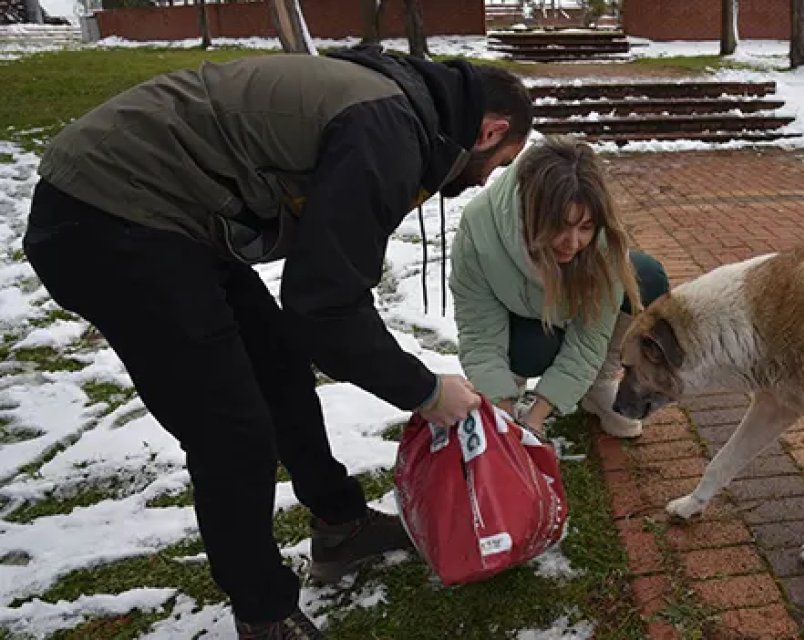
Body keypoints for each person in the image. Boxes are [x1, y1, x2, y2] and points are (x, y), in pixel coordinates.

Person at [21, 44, 532, 639]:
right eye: (500, 162)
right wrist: (424, 390)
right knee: (232, 430)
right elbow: (326, 308)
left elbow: (318, 300)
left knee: (280, 366)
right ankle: (264, 615)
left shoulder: (399, 108)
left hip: (171, 213)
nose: (486, 180)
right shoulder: (389, 129)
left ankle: (341, 526)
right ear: (490, 130)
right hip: (108, 214)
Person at [449, 135, 670, 439]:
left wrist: (536, 419)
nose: (574, 243)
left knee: (646, 275)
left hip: (567, 317)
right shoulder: (479, 228)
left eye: (586, 228)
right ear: (531, 214)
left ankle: (599, 385)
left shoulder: (603, 239)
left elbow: (590, 337)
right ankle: (507, 393)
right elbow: (480, 335)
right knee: (531, 350)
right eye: (560, 226)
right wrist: (506, 410)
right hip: (522, 323)